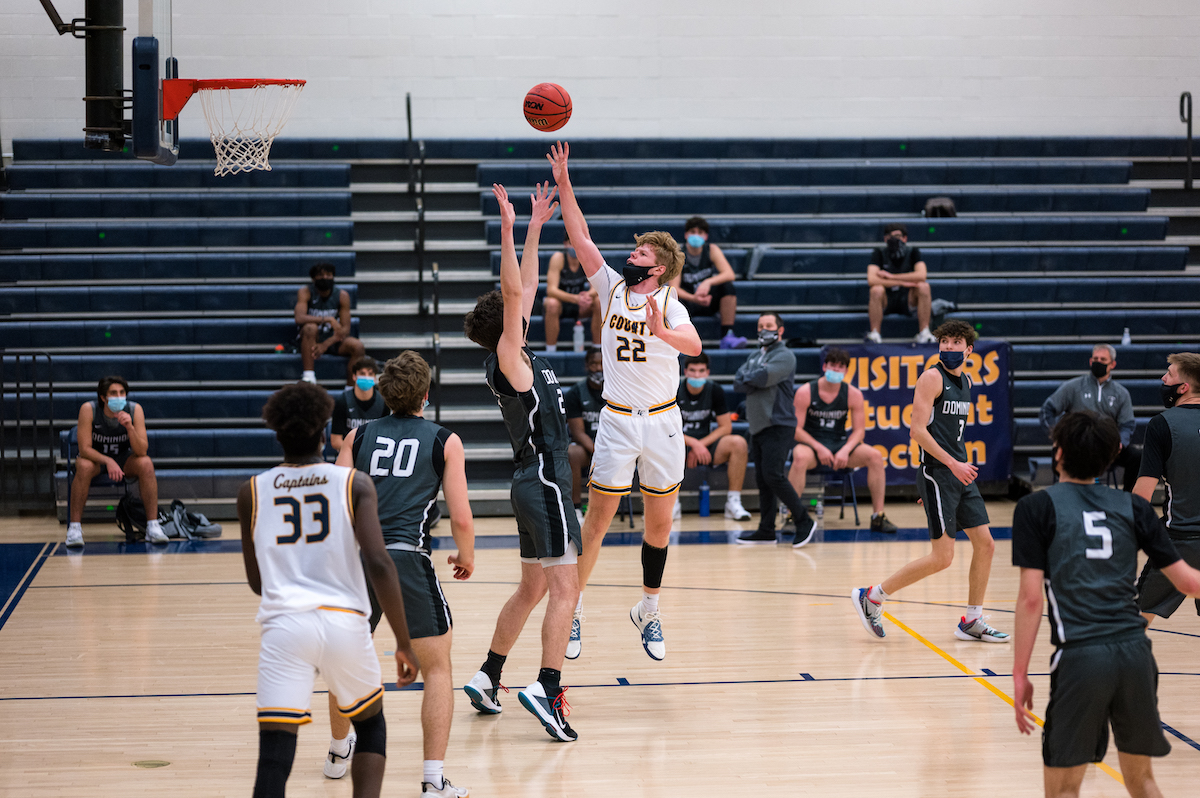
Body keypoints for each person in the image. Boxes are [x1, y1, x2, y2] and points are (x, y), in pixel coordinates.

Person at [548, 141, 702, 664]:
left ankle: (649, 609)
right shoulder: (611, 287)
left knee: (660, 525)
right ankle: (573, 608)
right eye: (634, 252)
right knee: (598, 521)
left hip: (661, 423)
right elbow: (579, 234)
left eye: (640, 254)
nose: (630, 256)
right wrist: (565, 179)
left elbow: (695, 347)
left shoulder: (670, 304)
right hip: (615, 421)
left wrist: (663, 330)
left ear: (658, 269)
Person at [236, 382, 420, 798]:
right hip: (344, 624)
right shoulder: (353, 483)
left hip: (285, 628)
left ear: (277, 433)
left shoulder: (252, 491)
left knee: (274, 757)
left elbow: (256, 582)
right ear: (322, 432)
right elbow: (378, 563)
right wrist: (403, 642)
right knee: (371, 727)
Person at [1011, 410, 1200, 798]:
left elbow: (1031, 600)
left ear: (1057, 452)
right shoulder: (1134, 508)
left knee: (1064, 790)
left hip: (1081, 657)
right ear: (1114, 453)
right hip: (1136, 655)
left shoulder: (1035, 508)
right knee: (1143, 782)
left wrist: (1019, 674)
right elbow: (1189, 583)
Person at [461, 181, 582, 742]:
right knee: (566, 589)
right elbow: (516, 294)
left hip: (530, 480)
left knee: (532, 588)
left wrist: (534, 226)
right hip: (547, 479)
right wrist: (508, 228)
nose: (525, 302)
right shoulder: (509, 358)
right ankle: (548, 686)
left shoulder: (514, 356)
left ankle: (488, 677)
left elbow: (524, 287)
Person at [329, 351, 475, 798]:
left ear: (385, 394)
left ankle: (338, 753)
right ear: (425, 395)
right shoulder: (444, 440)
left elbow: (337, 502)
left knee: (344, 664)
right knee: (437, 669)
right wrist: (465, 555)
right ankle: (433, 781)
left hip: (358, 559)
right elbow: (462, 517)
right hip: (407, 560)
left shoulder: (359, 435)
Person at [852, 320, 1009, 642]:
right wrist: (948, 468)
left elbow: (950, 433)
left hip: (957, 474)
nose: (949, 347)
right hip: (939, 472)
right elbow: (917, 431)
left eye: (956, 342)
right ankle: (873, 596)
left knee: (987, 544)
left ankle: (972, 620)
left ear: (969, 349)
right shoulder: (931, 377)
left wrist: (956, 468)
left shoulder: (965, 380)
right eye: (945, 342)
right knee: (943, 557)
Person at [787, 347, 898, 534]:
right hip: (812, 445)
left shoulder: (853, 394)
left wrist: (846, 450)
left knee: (876, 456)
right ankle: (792, 516)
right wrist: (818, 447)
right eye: (832, 366)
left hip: (839, 443)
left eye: (840, 367)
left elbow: (859, 431)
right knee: (799, 457)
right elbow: (795, 430)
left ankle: (878, 516)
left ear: (846, 371)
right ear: (824, 366)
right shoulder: (806, 391)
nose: (836, 370)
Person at [733, 313, 815, 546]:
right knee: (762, 479)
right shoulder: (754, 355)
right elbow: (738, 382)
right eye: (760, 326)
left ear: (780, 330)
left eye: (768, 325)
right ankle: (766, 529)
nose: (763, 329)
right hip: (758, 426)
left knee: (773, 475)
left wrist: (753, 378)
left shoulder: (785, 355)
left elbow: (762, 378)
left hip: (779, 424)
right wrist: (752, 378)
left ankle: (803, 520)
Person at [1133, 352, 1200, 628]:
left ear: (1183, 387)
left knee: (1132, 623)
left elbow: (1142, 494)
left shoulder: (1163, 424)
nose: (1163, 378)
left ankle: (1113, 671)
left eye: (1169, 374)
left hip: (1179, 542)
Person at [66, 375, 167, 547]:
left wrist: (130, 427)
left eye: (122, 392)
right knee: (83, 465)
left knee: (146, 463)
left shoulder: (135, 410)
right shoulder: (88, 409)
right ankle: (74, 529)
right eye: (113, 393)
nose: (118, 396)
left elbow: (141, 450)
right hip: (96, 459)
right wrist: (108, 461)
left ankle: (152, 526)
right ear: (103, 397)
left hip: (123, 459)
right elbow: (84, 449)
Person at [1039, 344, 1139, 491]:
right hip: (1079, 443)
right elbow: (1047, 410)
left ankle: (1129, 500)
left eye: (1103, 359)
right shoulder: (1073, 386)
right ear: (1090, 361)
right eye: (1095, 359)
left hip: (1107, 445)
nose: (1098, 362)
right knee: (1063, 454)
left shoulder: (1121, 393)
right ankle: (1068, 495)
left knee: (1136, 457)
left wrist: (1120, 443)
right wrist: (1057, 436)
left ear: (1112, 364)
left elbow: (1127, 425)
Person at [674, 353, 751, 521]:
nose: (697, 375)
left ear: (707, 372)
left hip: (706, 446)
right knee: (662, 444)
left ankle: (733, 502)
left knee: (738, 443)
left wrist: (700, 444)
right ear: (685, 372)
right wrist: (694, 443)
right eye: (693, 371)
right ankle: (671, 504)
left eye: (701, 371)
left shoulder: (714, 390)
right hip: (679, 444)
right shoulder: (674, 389)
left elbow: (726, 427)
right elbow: (666, 429)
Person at [670, 216, 745, 349]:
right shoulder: (678, 254)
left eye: (700, 232)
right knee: (673, 298)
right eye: (693, 232)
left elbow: (729, 274)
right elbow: (674, 287)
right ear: (686, 235)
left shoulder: (711, 249)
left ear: (706, 236)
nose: (696, 235)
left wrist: (708, 282)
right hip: (688, 302)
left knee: (728, 288)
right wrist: (693, 298)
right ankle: (678, 340)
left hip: (707, 300)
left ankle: (727, 335)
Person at [294, 261, 366, 386]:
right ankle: (309, 376)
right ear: (313, 278)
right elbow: (299, 318)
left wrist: (325, 344)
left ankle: (350, 389)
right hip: (311, 339)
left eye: (328, 275)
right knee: (310, 328)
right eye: (321, 275)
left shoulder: (342, 295)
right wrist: (328, 319)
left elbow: (345, 329)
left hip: (333, 339)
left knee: (358, 347)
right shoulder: (306, 292)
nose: (325, 278)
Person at [866, 223, 934, 344]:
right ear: (885, 239)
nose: (894, 239)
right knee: (876, 290)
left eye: (897, 236)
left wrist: (891, 277)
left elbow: (921, 275)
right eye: (890, 236)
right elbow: (871, 279)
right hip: (886, 298)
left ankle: (924, 332)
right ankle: (875, 334)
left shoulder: (913, 252)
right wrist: (903, 282)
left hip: (907, 298)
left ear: (905, 238)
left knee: (924, 287)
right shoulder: (879, 253)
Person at [564, 347, 605, 521]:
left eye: (602, 364)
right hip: (589, 448)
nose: (598, 368)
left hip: (615, 446)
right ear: (586, 366)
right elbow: (578, 432)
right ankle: (576, 508)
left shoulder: (619, 389)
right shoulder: (576, 393)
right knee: (572, 453)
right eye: (593, 364)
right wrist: (598, 452)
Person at [543, 233, 603, 351]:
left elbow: (596, 286)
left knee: (599, 301)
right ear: (565, 244)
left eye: (578, 243)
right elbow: (551, 290)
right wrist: (576, 299)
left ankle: (598, 349)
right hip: (561, 305)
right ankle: (550, 351)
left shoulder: (587, 259)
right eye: (572, 243)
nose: (575, 247)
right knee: (552, 303)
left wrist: (587, 296)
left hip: (580, 306)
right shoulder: (558, 258)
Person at [330, 356, 388, 453]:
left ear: (374, 377)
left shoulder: (383, 402)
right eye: (362, 373)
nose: (366, 377)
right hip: (349, 453)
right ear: (354, 376)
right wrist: (356, 450)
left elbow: (386, 437)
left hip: (374, 454)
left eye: (370, 374)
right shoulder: (343, 401)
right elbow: (335, 441)